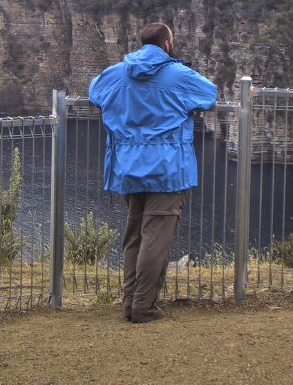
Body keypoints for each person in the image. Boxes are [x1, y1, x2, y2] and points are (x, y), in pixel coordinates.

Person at [89, 22, 217, 323]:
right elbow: (208, 94)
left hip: (129, 168)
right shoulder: (178, 75)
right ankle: (143, 306)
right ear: (167, 44)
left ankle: (130, 302)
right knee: (155, 239)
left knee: (134, 236)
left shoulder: (118, 72)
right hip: (167, 170)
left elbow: (95, 91)